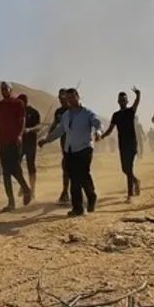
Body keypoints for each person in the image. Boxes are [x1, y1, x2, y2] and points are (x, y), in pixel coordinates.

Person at [39, 88, 102, 216]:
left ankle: (91, 196)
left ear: (77, 96)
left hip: (84, 148)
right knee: (74, 178)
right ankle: (77, 208)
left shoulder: (87, 113)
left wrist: (99, 132)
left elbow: (97, 123)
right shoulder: (66, 116)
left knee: (83, 174)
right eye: (68, 99)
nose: (70, 100)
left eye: (72, 97)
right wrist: (47, 140)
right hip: (69, 150)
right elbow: (59, 130)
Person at [0, 82, 34, 211]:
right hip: (3, 142)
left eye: (6, 88)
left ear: (11, 89)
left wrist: (20, 135)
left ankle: (26, 189)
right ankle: (11, 202)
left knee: (15, 169)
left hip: (14, 141)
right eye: (2, 89)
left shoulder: (18, 103)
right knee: (6, 172)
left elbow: (23, 120)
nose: (3, 91)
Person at [100, 88, 143, 202]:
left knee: (129, 167)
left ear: (127, 101)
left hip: (132, 144)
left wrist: (138, 94)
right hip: (122, 144)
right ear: (118, 101)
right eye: (120, 100)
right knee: (124, 169)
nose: (122, 102)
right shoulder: (116, 115)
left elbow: (136, 103)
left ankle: (130, 195)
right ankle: (136, 181)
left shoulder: (130, 111)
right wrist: (102, 136)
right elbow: (110, 129)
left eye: (124, 100)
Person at [49, 89, 72, 204]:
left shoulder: (73, 109)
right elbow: (54, 124)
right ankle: (65, 192)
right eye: (60, 97)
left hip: (75, 142)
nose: (62, 99)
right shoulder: (58, 112)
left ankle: (78, 192)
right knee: (66, 167)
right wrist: (49, 135)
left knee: (76, 167)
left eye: (63, 97)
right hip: (64, 143)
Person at [18, 94, 43, 194]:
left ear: (25, 102)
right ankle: (23, 185)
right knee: (16, 165)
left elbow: (38, 127)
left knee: (31, 165)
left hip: (30, 142)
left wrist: (29, 129)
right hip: (19, 143)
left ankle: (33, 190)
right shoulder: (17, 112)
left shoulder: (34, 112)